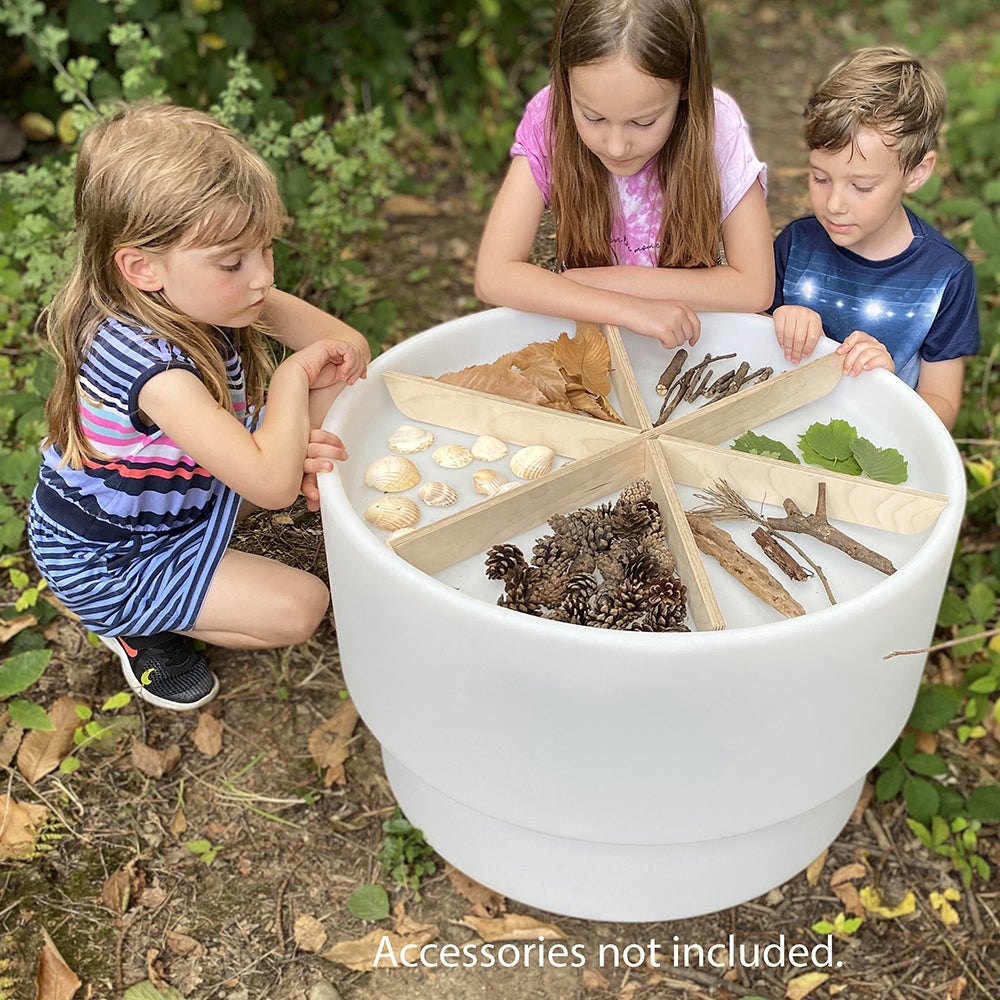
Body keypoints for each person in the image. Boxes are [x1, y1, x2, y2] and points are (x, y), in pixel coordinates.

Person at [28, 103, 370, 711]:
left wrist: (290, 428)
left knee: (321, 395)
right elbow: (269, 487)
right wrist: (291, 384)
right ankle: (132, 628)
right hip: (113, 557)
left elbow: (347, 350)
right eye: (234, 261)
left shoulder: (211, 293)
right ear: (141, 268)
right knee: (300, 606)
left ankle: (238, 495)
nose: (263, 277)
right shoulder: (152, 370)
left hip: (178, 511)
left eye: (265, 250)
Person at [474, 0, 774, 350]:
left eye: (643, 122)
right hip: (589, 341)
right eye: (593, 117)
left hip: (687, 345)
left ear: (685, 88)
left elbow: (754, 287)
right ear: (565, 82)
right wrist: (629, 308)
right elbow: (493, 276)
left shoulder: (717, 125)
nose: (616, 147)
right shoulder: (549, 119)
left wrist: (593, 282)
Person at [770, 47, 979, 430]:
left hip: (877, 449)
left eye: (861, 187)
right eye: (820, 178)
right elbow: (744, 344)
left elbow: (944, 405)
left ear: (917, 173)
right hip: (782, 429)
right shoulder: (796, 243)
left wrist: (888, 385)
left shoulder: (944, 277)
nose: (833, 204)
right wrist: (776, 319)